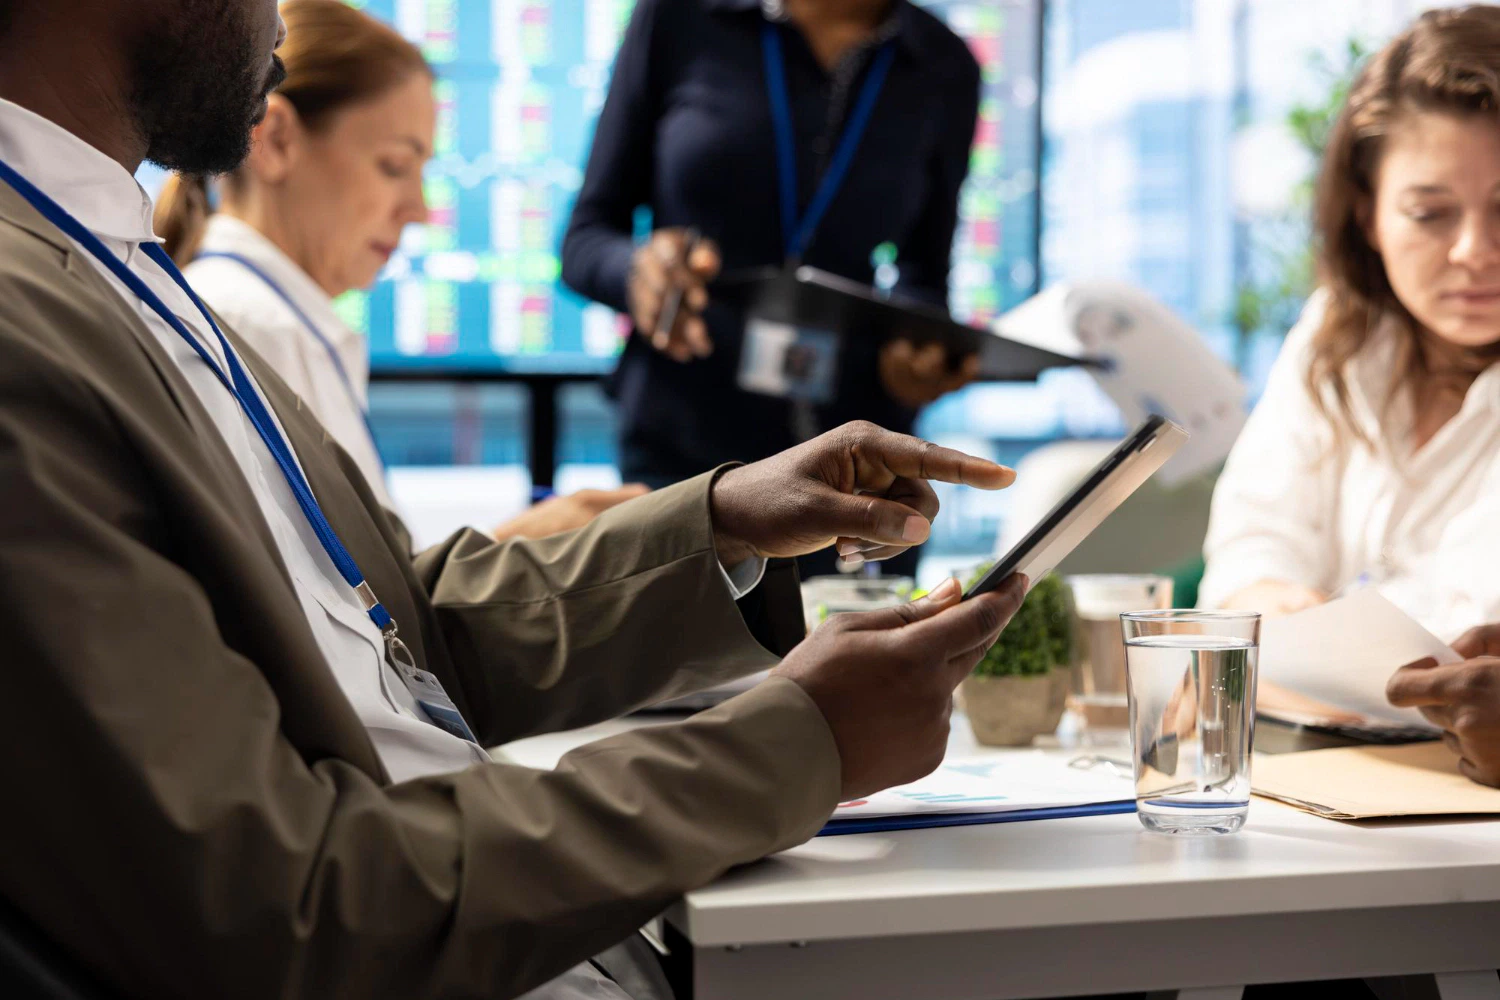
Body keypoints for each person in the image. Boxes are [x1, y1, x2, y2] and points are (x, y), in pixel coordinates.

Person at [0, 2, 1028, 999]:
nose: (283, 18)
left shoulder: (113, 262)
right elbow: (287, 904)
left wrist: (719, 527)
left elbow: (398, 627)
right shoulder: (30, 329)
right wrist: (799, 743)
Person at [155, 0, 645, 542]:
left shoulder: (267, 319)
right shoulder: (253, 328)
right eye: (394, 166)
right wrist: (529, 546)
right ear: (275, 140)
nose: (421, 210)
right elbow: (342, 617)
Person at [561, 0, 983, 578]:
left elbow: (925, 276)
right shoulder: (678, 18)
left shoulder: (942, 62)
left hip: (854, 459)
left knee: (859, 657)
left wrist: (920, 351)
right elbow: (585, 240)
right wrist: (640, 273)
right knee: (690, 658)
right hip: (685, 447)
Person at [1199, 5, 1500, 644]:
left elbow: (1474, 629)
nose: (1474, 250)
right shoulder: (1337, 334)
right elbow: (1250, 545)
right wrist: (1263, 596)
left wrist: (1295, 645)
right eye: (1430, 213)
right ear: (1367, 216)